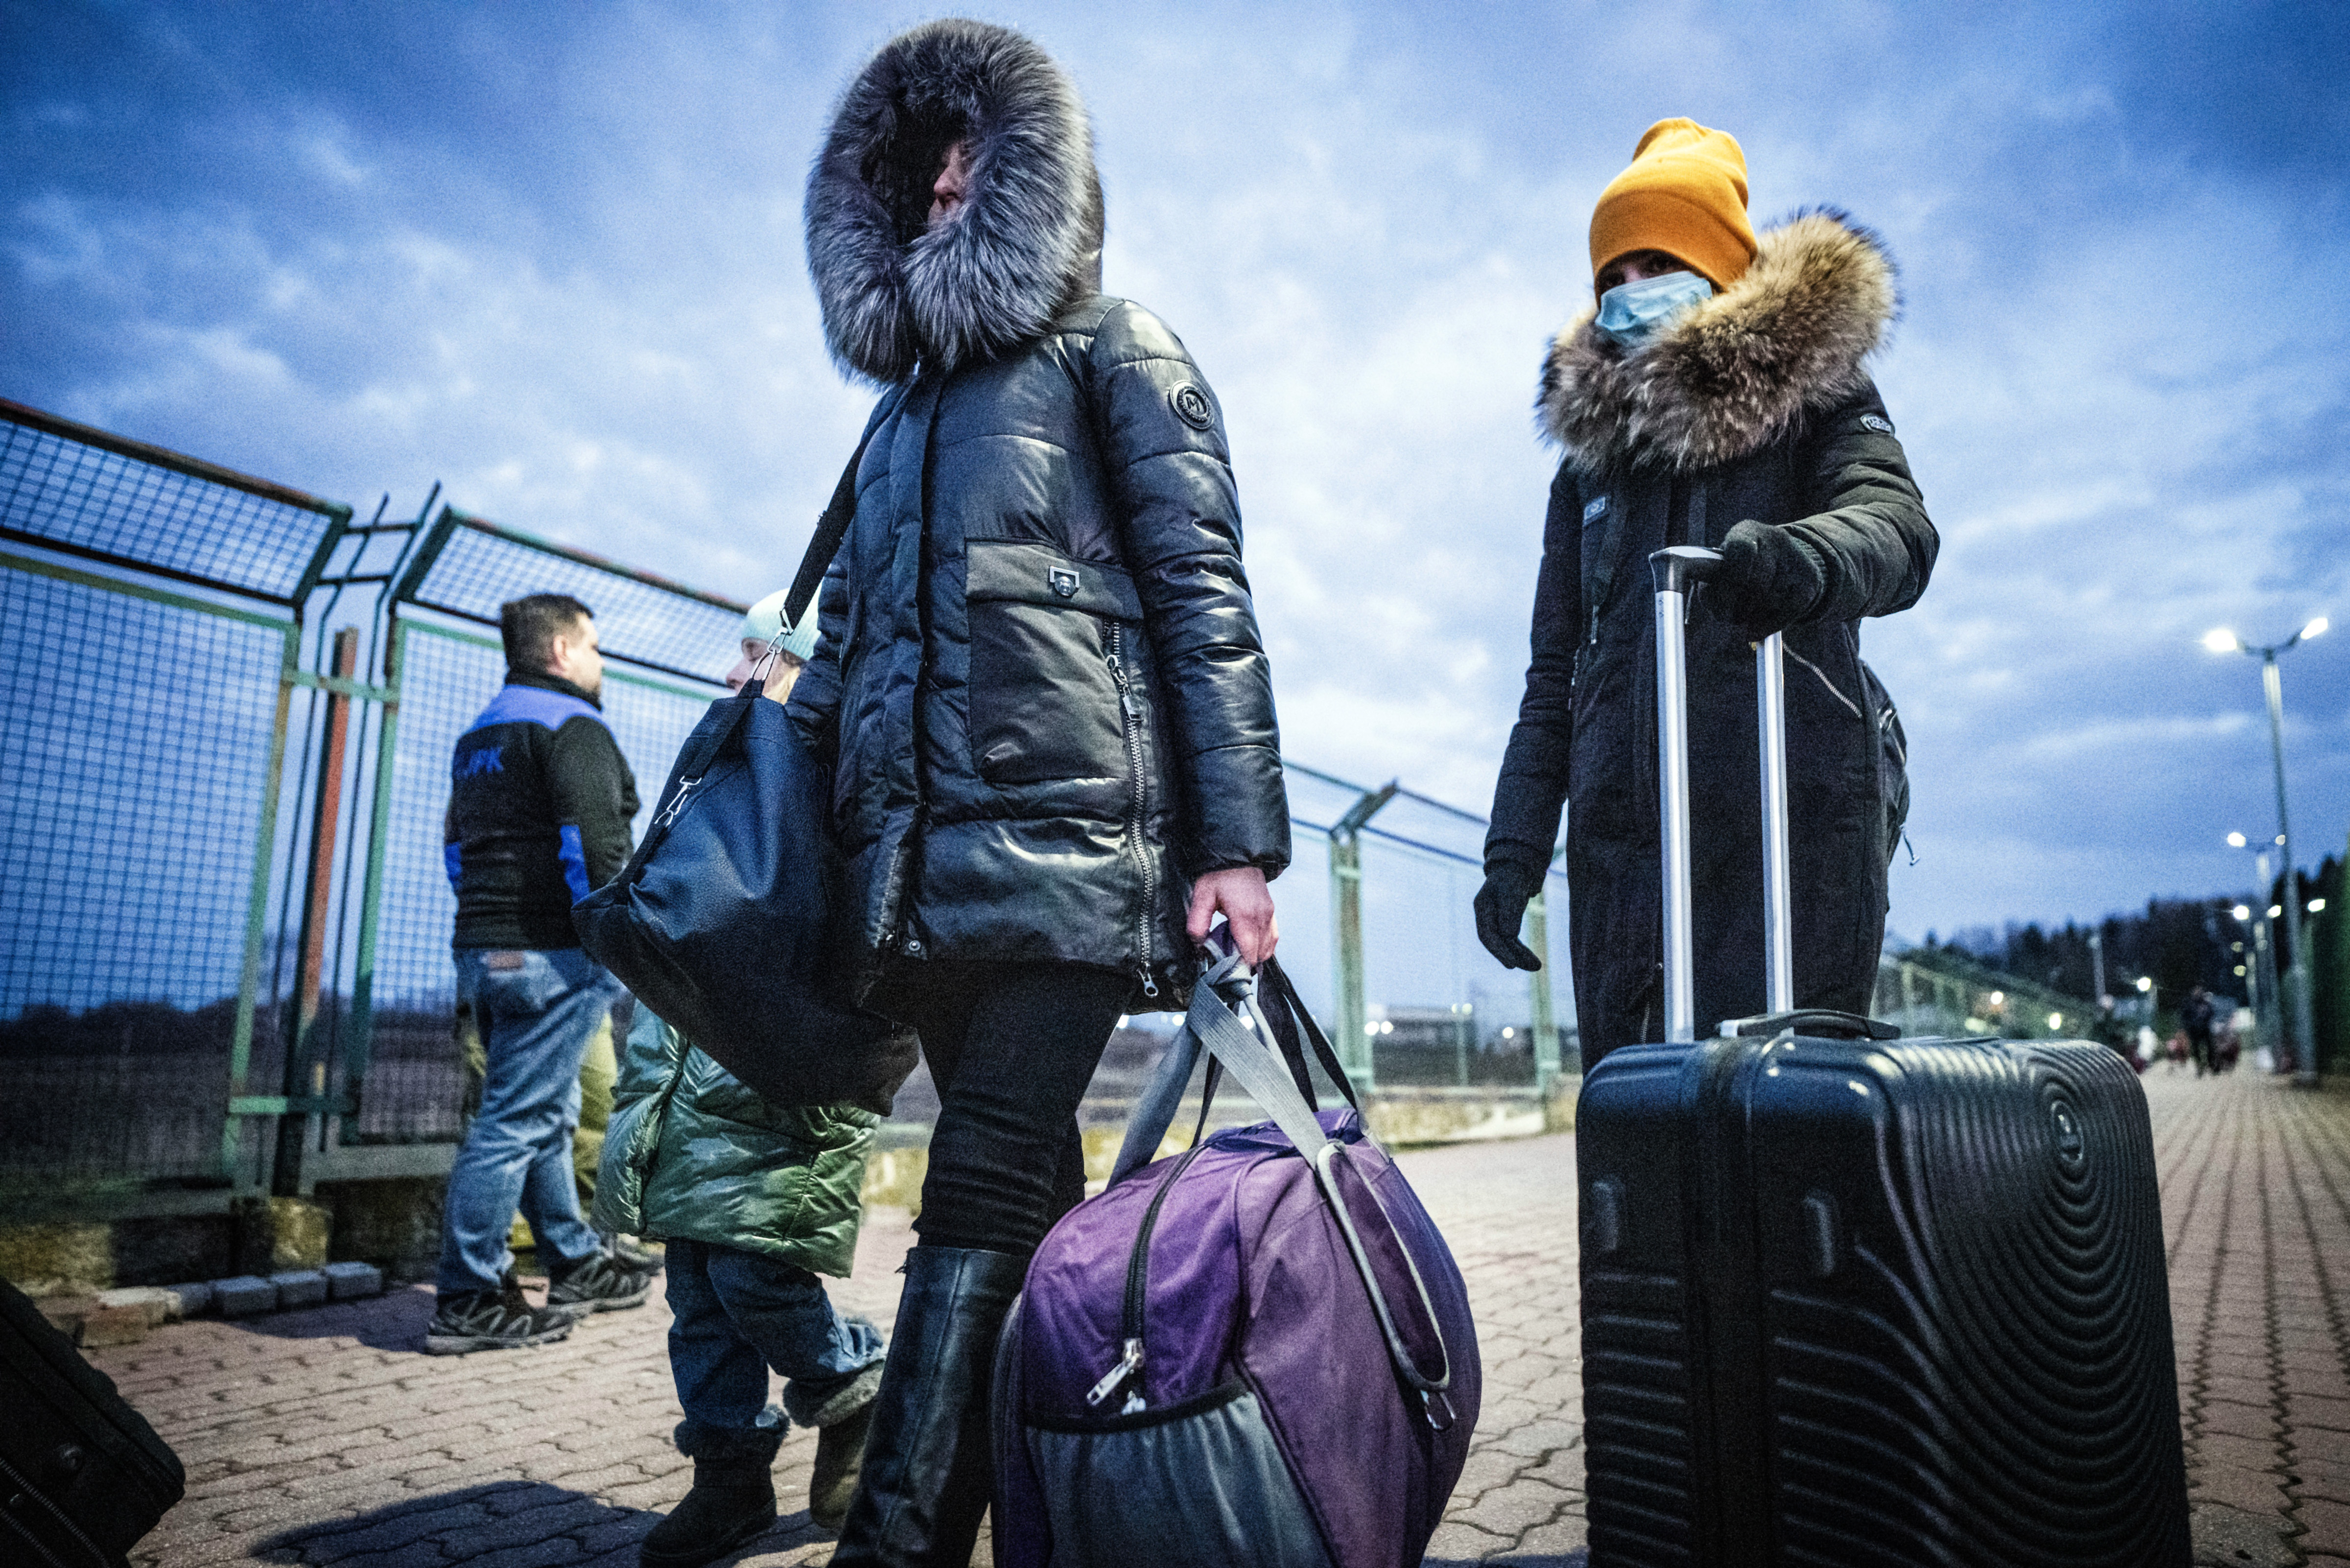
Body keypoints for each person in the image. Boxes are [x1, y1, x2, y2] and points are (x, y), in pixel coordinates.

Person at [793, 20, 1289, 1563]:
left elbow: (1202, 593)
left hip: (1076, 843)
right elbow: (854, 648)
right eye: (921, 182)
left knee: (985, 1169)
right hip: (922, 873)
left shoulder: (1114, 349)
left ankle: (899, 1535)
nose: (944, 200)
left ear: (1039, 189)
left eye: (971, 174)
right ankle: (1060, 1497)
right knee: (1026, 1195)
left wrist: (1237, 844)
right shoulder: (893, 424)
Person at [1477, 119, 1936, 1061]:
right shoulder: (1590, 469)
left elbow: (1897, 527)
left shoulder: (1817, 398)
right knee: (1642, 1132)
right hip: (1624, 861)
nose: (1633, 292)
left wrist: (1804, 559)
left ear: (1721, 271)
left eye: (1660, 262)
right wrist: (1515, 846)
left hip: (1784, 827)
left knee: (1782, 1130)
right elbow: (1553, 674)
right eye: (1616, 274)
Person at [598, 594, 891, 1567]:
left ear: (806, 666)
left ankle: (854, 1389)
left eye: (758, 656)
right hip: (691, 1068)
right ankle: (726, 1474)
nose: (736, 674)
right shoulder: (732, 768)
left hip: (782, 1068)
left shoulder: (835, 769)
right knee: (697, 1290)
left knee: (753, 1268)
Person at [427, 593, 662, 1354]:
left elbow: (457, 846)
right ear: (561, 650)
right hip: (550, 954)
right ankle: (468, 1293)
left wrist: (491, 930)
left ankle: (572, 1258)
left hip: (482, 946)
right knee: (514, 1120)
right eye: (593, 647)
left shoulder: (478, 736)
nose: (600, 662)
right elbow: (593, 848)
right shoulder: (572, 726)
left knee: (547, 1110)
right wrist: (609, 940)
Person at [2181, 985, 2216, 1077]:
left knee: (2210, 1048)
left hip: (2205, 1029)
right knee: (2196, 1050)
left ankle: (2211, 1066)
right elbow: (2184, 1017)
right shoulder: (2189, 1004)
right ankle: (2199, 1067)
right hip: (2194, 1030)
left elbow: (2212, 1013)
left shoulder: (2206, 1004)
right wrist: (2188, 1026)